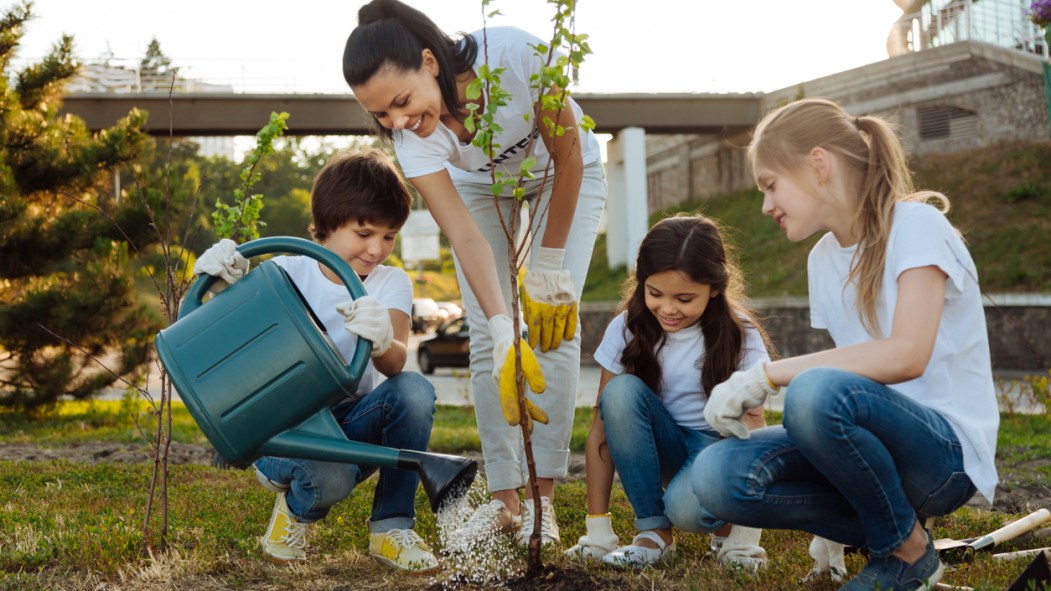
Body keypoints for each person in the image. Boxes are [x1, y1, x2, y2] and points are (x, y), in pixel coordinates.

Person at [682, 98, 999, 590]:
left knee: (813, 392)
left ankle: (905, 553)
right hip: (876, 452)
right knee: (716, 475)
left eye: (771, 185)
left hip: (943, 455)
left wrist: (764, 376)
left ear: (818, 164)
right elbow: (850, 380)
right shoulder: (822, 260)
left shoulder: (917, 227)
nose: (766, 205)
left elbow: (905, 354)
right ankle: (902, 541)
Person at [342, 0, 607, 547]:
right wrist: (505, 324)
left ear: (430, 63)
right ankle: (507, 502)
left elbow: (570, 158)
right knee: (491, 336)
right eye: (381, 116)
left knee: (556, 325)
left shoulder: (515, 54)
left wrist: (549, 269)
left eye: (401, 102)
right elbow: (465, 237)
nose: (398, 122)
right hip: (480, 189)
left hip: (563, 173)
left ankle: (542, 501)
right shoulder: (412, 138)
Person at [193, 149, 440, 573]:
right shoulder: (287, 271)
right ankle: (294, 509)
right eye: (364, 233)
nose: (377, 249)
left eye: (388, 236)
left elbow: (396, 362)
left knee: (415, 391)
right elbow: (227, 342)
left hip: (347, 423)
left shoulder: (389, 282)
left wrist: (382, 339)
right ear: (328, 224)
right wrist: (221, 285)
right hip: (285, 428)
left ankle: (391, 528)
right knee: (331, 477)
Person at [563, 214, 773, 568]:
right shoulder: (627, 328)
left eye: (685, 298)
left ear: (716, 288)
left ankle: (726, 526)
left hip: (720, 453)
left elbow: (754, 429)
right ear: (641, 281)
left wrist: (746, 539)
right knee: (618, 394)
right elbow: (602, 425)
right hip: (665, 448)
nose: (668, 308)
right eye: (655, 293)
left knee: (685, 509)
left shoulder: (741, 334)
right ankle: (653, 532)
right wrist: (597, 531)